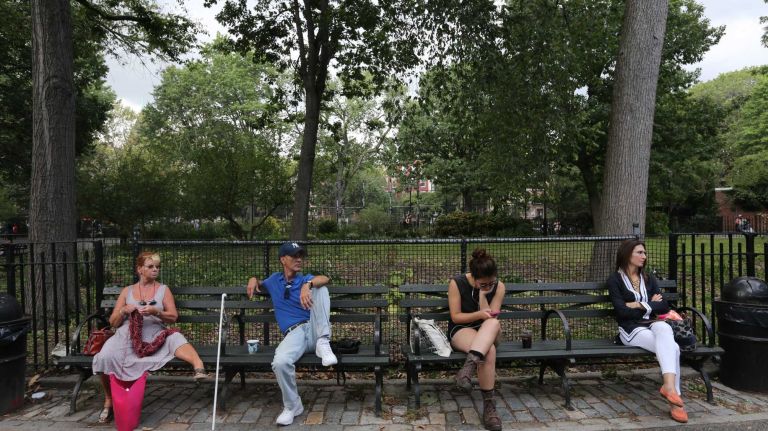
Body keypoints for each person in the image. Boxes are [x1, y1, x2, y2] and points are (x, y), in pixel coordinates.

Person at [92, 252, 207, 424]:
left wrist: (156, 312)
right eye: (151, 266)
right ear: (140, 269)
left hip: (154, 334)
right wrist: (123, 311)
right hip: (126, 336)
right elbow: (113, 322)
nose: (155, 270)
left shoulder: (163, 290)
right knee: (103, 357)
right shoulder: (127, 291)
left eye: (157, 267)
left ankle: (198, 366)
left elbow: (173, 316)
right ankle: (109, 400)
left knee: (174, 336)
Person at [246, 242, 337, 426]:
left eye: (300, 256)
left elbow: (325, 278)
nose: (299, 259)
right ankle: (292, 405)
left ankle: (323, 341)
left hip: (314, 328)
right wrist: (253, 279)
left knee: (321, 288)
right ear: (283, 259)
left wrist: (307, 285)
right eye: (294, 256)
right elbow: (260, 283)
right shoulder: (274, 280)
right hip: (295, 334)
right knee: (280, 362)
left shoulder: (305, 279)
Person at [607, 239, 687, 423]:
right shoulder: (615, 280)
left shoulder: (648, 279)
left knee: (664, 327)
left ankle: (669, 388)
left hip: (652, 323)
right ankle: (676, 401)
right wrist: (651, 304)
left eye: (644, 252)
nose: (644, 256)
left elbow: (664, 306)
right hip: (631, 329)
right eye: (640, 252)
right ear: (627, 254)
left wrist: (637, 304)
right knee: (673, 348)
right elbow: (622, 312)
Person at [447, 248, 505, 431]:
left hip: (488, 330)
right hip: (462, 329)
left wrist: (482, 296)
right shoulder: (457, 283)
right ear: (473, 277)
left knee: (493, 323)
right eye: (483, 284)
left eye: (491, 283)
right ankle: (489, 408)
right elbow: (456, 317)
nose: (488, 286)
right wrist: (479, 314)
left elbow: (490, 317)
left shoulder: (499, 287)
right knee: (489, 351)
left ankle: (467, 370)